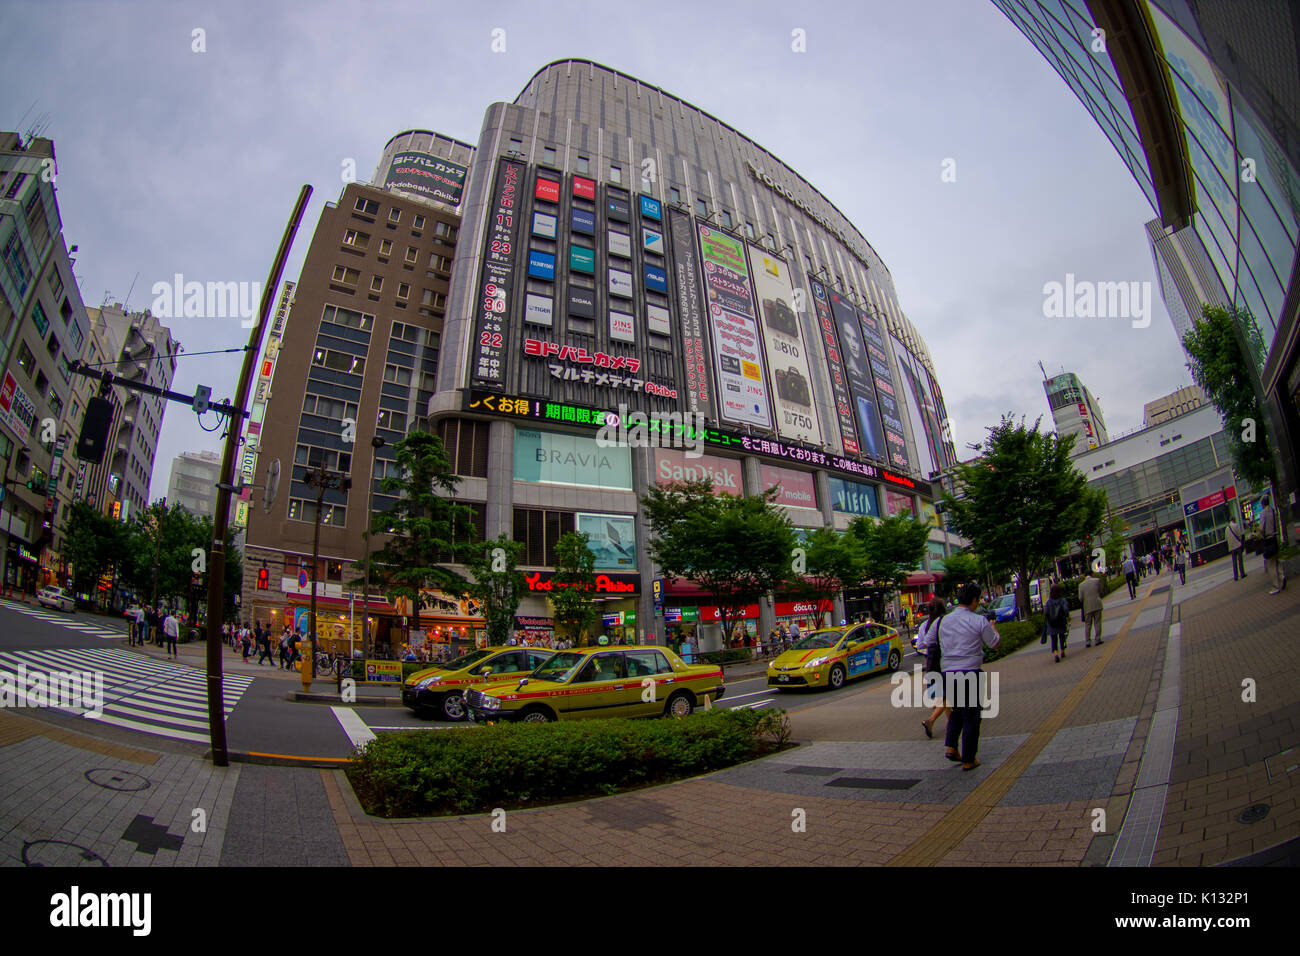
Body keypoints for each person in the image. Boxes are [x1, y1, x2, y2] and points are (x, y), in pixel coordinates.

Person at [934, 583, 1000, 771]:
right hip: (970, 672)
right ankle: (969, 759)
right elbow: (994, 643)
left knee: (957, 711)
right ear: (973, 600)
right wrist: (993, 627)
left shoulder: (943, 621)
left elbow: (929, 642)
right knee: (972, 715)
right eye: (978, 600)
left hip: (948, 673)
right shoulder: (978, 620)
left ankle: (951, 747)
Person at [914, 598, 950, 739]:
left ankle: (950, 725)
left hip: (931, 662)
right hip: (945, 661)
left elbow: (921, 644)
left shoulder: (924, 625)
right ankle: (932, 721)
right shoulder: (945, 622)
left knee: (941, 696)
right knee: (948, 696)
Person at [1258, 494, 1286, 594]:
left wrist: (1259, 534)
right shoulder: (1273, 511)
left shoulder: (1263, 513)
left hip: (1269, 539)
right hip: (1276, 537)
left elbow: (1261, 529)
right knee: (1277, 559)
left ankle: (1276, 586)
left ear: (1262, 504)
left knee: (1271, 564)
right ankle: (1282, 577)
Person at [1043, 583, 1070, 663]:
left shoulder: (1049, 602)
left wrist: (1048, 619)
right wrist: (1067, 617)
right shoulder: (1063, 600)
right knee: (1062, 636)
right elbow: (1066, 610)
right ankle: (1062, 651)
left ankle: (1055, 654)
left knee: (1054, 639)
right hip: (1061, 621)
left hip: (1051, 623)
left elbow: (1046, 613)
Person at [1079, 569, 1104, 648]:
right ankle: (1097, 639)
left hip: (1087, 606)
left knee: (1088, 624)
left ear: (1084, 576)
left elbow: (1080, 598)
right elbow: (1100, 590)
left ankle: (1087, 642)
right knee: (1098, 622)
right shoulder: (1097, 580)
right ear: (1092, 574)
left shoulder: (1081, 585)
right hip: (1097, 604)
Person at [1226, 512, 1247, 581]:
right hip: (1237, 545)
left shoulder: (1227, 529)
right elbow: (1239, 534)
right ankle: (1242, 573)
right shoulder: (1236, 525)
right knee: (1240, 560)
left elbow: (1226, 538)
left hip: (1231, 547)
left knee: (1234, 562)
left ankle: (1236, 576)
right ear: (1234, 520)